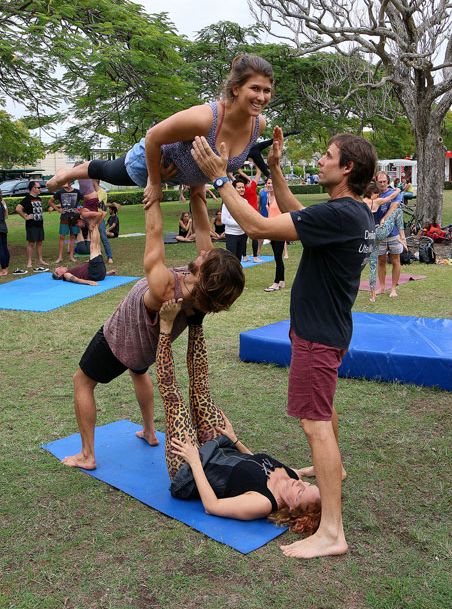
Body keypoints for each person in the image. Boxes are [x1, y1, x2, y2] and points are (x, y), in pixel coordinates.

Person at [191, 127, 377, 558]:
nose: (321, 161)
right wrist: (273, 169)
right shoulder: (350, 213)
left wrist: (221, 178)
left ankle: (332, 531)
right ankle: (338, 470)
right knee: (322, 414)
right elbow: (294, 212)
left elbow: (258, 224)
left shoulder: (342, 215)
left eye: (327, 156)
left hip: (318, 336)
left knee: (314, 424)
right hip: (327, 330)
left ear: (347, 168)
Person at [60, 188, 245, 470]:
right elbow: (204, 231)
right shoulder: (203, 297)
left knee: (81, 381)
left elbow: (154, 234)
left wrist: (154, 193)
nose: (204, 251)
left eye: (207, 257)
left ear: (205, 275)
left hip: (120, 341)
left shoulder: (166, 287)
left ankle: (87, 454)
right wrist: (196, 193)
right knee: (139, 371)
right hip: (147, 349)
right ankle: (149, 431)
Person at [157, 299, 322, 529]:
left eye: (301, 492)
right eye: (306, 484)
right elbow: (256, 465)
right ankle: (195, 319)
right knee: (201, 386)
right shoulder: (291, 476)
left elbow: (212, 506)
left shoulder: (262, 504)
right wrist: (235, 439)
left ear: (292, 508)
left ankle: (164, 327)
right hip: (220, 445)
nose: (299, 483)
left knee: (173, 399)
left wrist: (194, 461)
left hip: (189, 470)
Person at [46, 54, 273, 214]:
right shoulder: (204, 118)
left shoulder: (258, 125)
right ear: (236, 89)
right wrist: (154, 183)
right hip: (153, 159)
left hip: (186, 172)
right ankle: (65, 176)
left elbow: (208, 161)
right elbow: (154, 135)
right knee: (106, 170)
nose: (261, 97)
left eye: (267, 90)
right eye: (255, 88)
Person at [363, 182, 406, 302]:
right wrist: (399, 189)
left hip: (370, 236)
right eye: (376, 194)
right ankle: (402, 237)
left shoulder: (360, 203)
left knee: (372, 265)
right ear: (372, 193)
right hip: (380, 232)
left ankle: (372, 295)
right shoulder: (375, 202)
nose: (378, 196)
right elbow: (390, 198)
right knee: (397, 211)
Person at [52, 213, 115, 285]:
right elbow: (76, 280)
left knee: (96, 245)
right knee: (94, 246)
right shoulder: (66, 275)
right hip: (95, 272)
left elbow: (83, 273)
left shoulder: (70, 271)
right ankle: (93, 222)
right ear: (59, 274)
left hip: (99, 272)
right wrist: (89, 282)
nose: (61, 266)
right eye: (59, 268)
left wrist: (107, 273)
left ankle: (94, 223)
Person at [375, 171, 404, 298]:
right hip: (379, 234)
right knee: (380, 260)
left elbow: (393, 208)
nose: (382, 184)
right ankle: (381, 287)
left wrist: (383, 219)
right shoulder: (373, 195)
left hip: (393, 233)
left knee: (395, 260)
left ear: (388, 181)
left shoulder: (394, 194)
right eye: (380, 182)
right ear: (376, 182)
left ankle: (393, 288)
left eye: (384, 182)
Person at [15, 180, 49, 270]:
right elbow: (18, 209)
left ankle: (40, 260)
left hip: (39, 224)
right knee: (31, 243)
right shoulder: (27, 199)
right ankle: (29, 261)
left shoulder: (39, 198)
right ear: (33, 188)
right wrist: (25, 217)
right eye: (38, 187)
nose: (39, 189)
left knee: (40, 242)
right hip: (31, 225)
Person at [49, 181, 84, 263]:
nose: (63, 185)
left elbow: (86, 201)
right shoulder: (60, 192)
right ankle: (60, 257)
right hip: (64, 217)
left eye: (65, 183)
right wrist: (57, 209)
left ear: (70, 183)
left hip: (74, 218)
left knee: (72, 237)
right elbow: (50, 201)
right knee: (62, 237)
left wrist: (80, 210)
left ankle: (71, 256)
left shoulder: (77, 192)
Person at [236, 165, 263, 262]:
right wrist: (256, 163)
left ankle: (244, 257)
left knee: (244, 235)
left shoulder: (240, 190)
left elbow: (234, 181)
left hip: (244, 213)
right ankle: (255, 257)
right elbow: (258, 173)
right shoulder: (252, 186)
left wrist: (236, 171)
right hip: (253, 213)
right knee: (254, 235)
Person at [264, 183, 286, 292]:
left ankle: (276, 282)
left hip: (279, 229)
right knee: (277, 257)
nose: (270, 185)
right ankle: (281, 280)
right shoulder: (268, 196)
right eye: (268, 183)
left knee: (277, 256)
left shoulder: (279, 197)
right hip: (271, 229)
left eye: (272, 183)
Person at [221, 180, 248, 262]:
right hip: (231, 234)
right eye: (239, 187)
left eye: (243, 187)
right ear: (234, 189)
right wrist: (239, 223)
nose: (242, 189)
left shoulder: (245, 202)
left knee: (238, 260)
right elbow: (224, 220)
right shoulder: (227, 202)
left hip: (242, 234)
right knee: (231, 260)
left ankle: (238, 274)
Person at [93, 180, 114, 264]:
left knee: (103, 238)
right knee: (93, 239)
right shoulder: (91, 192)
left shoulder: (102, 192)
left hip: (100, 218)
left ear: (95, 181)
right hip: (92, 217)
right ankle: (95, 257)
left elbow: (95, 201)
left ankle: (110, 257)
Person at [0, 189, 9, 276]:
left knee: (1, 249)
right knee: (4, 248)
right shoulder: (3, 202)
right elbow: (6, 216)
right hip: (3, 227)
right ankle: (6, 268)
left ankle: (4, 270)